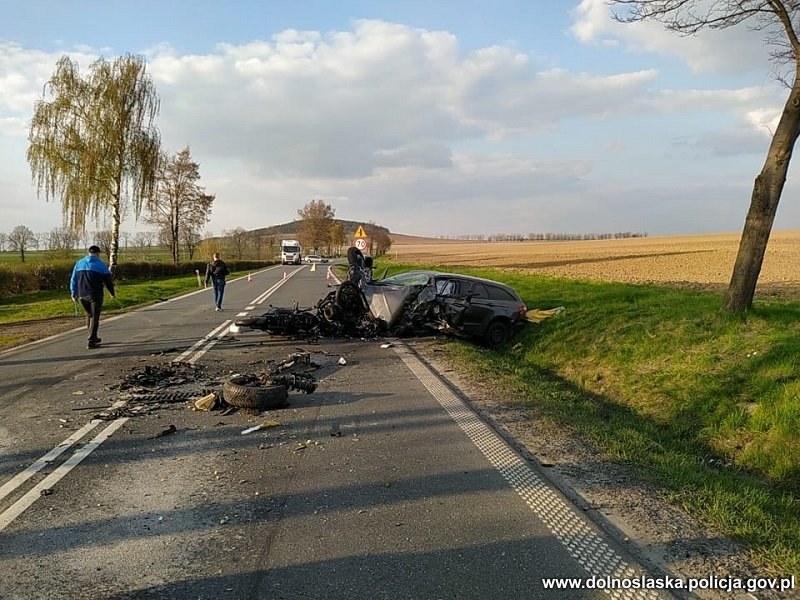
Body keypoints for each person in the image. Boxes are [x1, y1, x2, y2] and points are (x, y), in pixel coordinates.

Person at [70, 245, 115, 349]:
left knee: (89, 315)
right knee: (95, 317)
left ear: (88, 253)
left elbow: (73, 279)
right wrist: (112, 293)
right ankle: (91, 341)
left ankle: (93, 337)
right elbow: (108, 281)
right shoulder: (100, 265)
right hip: (95, 294)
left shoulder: (79, 263)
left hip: (82, 294)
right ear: (98, 253)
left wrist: (73, 293)